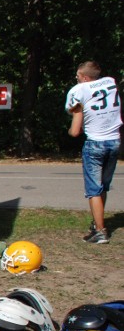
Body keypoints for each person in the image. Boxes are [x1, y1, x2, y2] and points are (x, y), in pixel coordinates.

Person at [66, 61, 122, 245]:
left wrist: (75, 123)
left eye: (77, 75)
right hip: (114, 141)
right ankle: (98, 223)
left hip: (95, 144)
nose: (76, 78)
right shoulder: (110, 82)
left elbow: (75, 131)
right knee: (103, 187)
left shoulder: (79, 91)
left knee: (93, 190)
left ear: (85, 77)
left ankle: (100, 231)